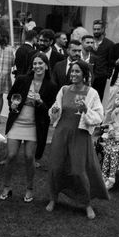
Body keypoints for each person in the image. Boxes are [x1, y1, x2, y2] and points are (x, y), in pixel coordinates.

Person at [46, 60, 108, 220]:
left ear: (85, 74)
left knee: (78, 170)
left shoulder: (92, 93)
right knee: (56, 166)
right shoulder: (64, 89)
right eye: (72, 71)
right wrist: (53, 111)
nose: (73, 74)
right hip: (61, 133)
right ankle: (53, 198)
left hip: (80, 135)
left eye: (77, 72)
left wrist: (86, 110)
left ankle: (86, 203)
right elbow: (54, 110)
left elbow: (99, 116)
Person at [0, 53, 58, 203]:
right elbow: (11, 96)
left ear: (46, 65)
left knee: (28, 157)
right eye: (35, 63)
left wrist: (40, 102)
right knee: (11, 155)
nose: (37, 66)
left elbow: (49, 110)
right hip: (17, 123)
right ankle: (6, 186)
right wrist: (12, 104)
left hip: (34, 126)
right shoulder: (22, 80)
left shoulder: (51, 86)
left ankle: (30, 188)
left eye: (40, 63)